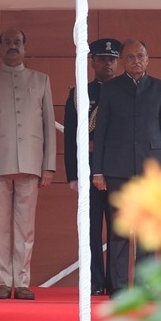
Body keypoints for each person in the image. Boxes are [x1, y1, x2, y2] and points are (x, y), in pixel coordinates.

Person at [0, 28, 56, 300]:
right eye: (7, 42)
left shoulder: (41, 81)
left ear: (25, 46)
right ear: (0, 47)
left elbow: (48, 128)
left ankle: (21, 281)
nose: (12, 46)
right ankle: (3, 280)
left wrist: (48, 166)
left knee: (25, 227)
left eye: (17, 42)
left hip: (31, 164)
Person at [89, 39, 161, 296]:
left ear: (148, 60)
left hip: (152, 167)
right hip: (117, 168)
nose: (136, 61)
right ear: (122, 62)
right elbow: (101, 131)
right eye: (130, 57)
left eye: (140, 56)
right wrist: (99, 171)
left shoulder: (160, 87)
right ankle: (119, 287)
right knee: (120, 230)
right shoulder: (111, 89)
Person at [64, 38, 124, 296]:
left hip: (117, 167)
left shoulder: (125, 90)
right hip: (88, 166)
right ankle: (95, 281)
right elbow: (70, 137)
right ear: (93, 62)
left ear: (117, 61)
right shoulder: (79, 93)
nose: (107, 63)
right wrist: (73, 174)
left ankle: (115, 280)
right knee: (90, 228)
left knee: (117, 227)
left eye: (111, 59)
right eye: (102, 58)